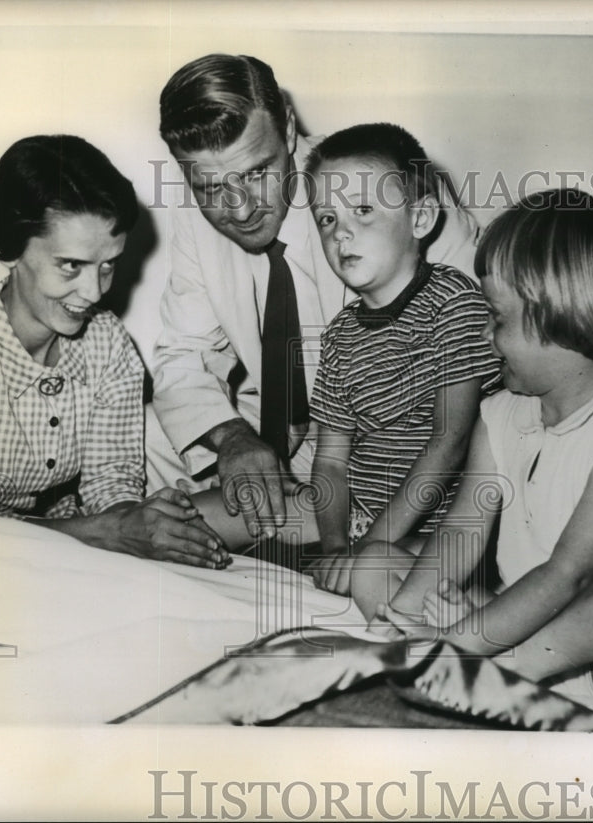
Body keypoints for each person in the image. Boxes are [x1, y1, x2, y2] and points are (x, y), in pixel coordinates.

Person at [353, 189, 593, 704]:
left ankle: (511, 668)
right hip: (532, 612)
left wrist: (460, 647)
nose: (485, 336)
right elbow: (462, 530)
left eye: (498, 320)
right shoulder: (501, 414)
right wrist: (408, 616)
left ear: (565, 325)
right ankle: (488, 651)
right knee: (373, 565)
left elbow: (568, 575)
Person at [150, 53, 481, 542]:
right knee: (147, 435)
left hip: (389, 440)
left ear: (286, 130)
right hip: (281, 431)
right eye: (211, 188)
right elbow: (181, 354)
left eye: (257, 173)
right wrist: (232, 438)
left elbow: (473, 350)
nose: (239, 210)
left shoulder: (376, 180)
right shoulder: (191, 215)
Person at [0, 135, 229, 569]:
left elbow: (113, 488)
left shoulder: (107, 344)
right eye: (71, 265)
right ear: (13, 247)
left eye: (108, 264)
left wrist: (141, 522)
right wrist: (102, 532)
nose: (93, 292)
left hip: (61, 554)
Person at [186, 123, 500, 580]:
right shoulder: (341, 335)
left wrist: (368, 548)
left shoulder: (455, 305)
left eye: (364, 210)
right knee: (194, 516)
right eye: (328, 219)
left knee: (377, 572)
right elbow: (331, 462)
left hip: (439, 527)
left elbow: (447, 445)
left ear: (421, 219)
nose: (342, 235)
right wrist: (334, 548)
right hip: (355, 517)